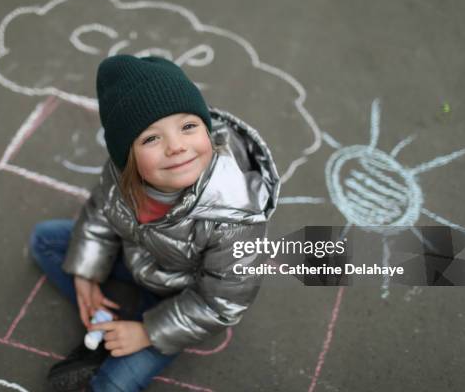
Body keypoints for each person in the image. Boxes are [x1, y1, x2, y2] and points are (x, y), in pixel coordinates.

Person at [30, 54, 280, 392]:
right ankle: (108, 326)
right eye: (151, 138)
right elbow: (100, 212)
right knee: (44, 241)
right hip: (141, 260)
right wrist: (86, 273)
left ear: (206, 129)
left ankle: (122, 331)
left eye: (188, 127)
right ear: (126, 156)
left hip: (183, 296)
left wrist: (147, 332)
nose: (177, 146)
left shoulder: (235, 216)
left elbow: (221, 303)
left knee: (111, 386)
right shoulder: (121, 176)